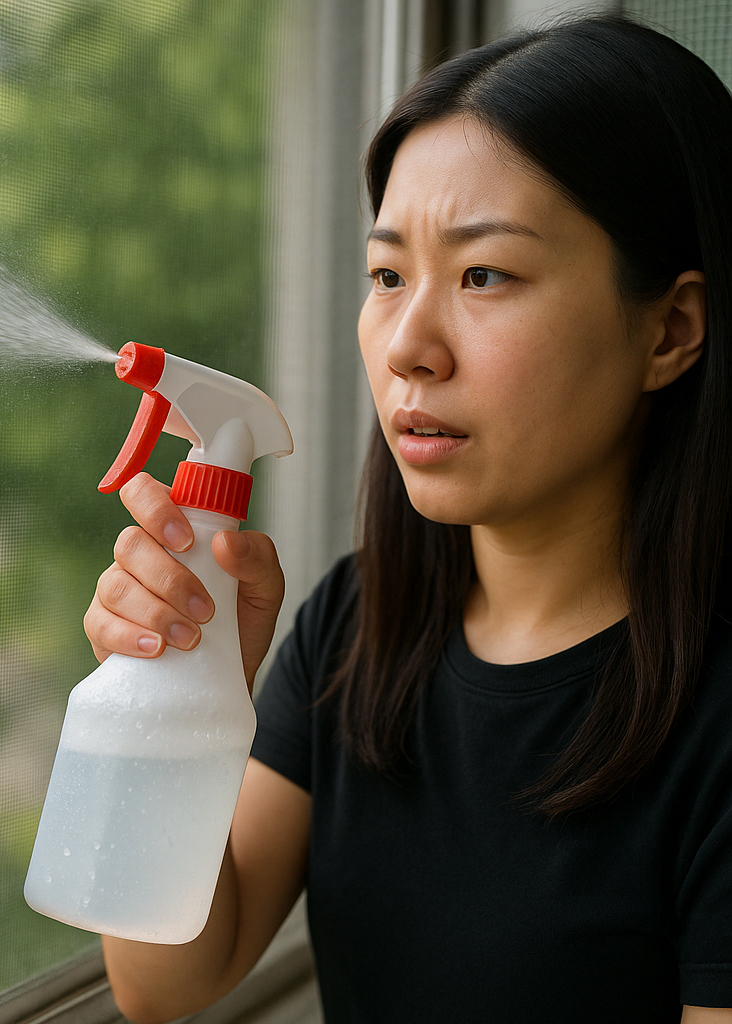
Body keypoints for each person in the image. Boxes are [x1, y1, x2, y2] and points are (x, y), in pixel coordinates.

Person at [82, 14, 732, 1024]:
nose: (407, 347)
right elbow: (164, 981)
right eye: (387, 275)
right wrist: (179, 687)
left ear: (671, 329)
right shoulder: (357, 624)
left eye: (484, 274)